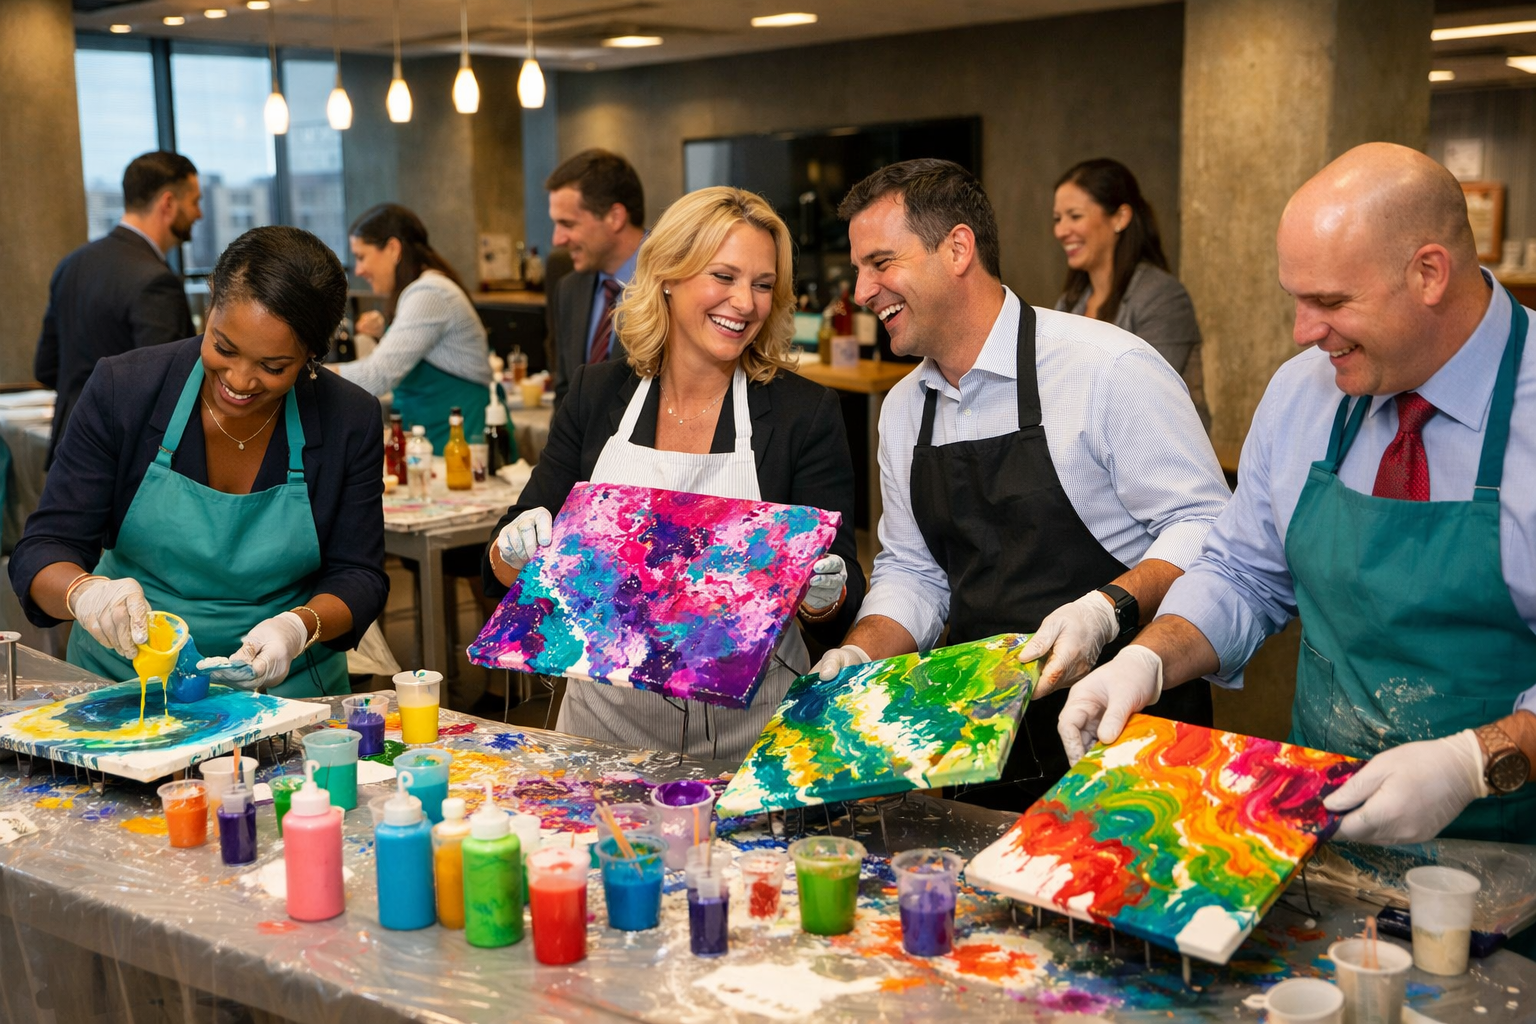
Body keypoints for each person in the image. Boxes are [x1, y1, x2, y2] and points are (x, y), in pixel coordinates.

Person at [1058, 143, 1536, 853]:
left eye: (1331, 302)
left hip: (1508, 843)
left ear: (1430, 272)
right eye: (1297, 300)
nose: (1304, 333)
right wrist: (1147, 659)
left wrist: (1475, 763)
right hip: (1320, 819)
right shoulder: (1303, 393)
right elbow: (1244, 574)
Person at [813, 159, 1230, 809]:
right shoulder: (903, 409)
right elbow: (916, 574)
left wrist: (1105, 609)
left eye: (880, 263)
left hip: (1129, 729)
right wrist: (859, 655)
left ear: (957, 248)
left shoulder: (1106, 368)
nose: (863, 290)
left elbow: (1208, 528)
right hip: (983, 743)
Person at [483, 186, 864, 759]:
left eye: (763, 285)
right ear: (667, 274)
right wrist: (513, 552)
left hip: (752, 739)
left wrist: (821, 596)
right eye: (724, 276)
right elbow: (509, 560)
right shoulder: (597, 394)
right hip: (600, 734)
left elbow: (845, 589)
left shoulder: (800, 413)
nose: (744, 302)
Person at [10, 226, 388, 698]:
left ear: (312, 353)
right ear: (210, 305)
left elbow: (360, 574)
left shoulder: (347, 418)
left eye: (274, 367)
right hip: (124, 684)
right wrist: (86, 594)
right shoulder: (124, 390)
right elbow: (44, 549)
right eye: (224, 348)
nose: (240, 380)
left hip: (283, 692)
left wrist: (298, 627)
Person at [35, 151, 202, 466]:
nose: (199, 214)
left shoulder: (71, 265)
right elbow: (166, 385)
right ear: (168, 203)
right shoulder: (156, 280)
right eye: (195, 201)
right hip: (124, 459)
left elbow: (45, 367)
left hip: (67, 449)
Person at [1053, 158, 1208, 428]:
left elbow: (1144, 399)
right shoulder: (1069, 303)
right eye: (1057, 219)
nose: (1061, 231)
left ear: (1120, 217)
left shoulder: (1162, 297)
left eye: (1075, 216)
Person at [341, 203, 492, 450]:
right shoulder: (425, 288)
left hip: (458, 441)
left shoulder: (429, 292)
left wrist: (307, 374)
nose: (359, 270)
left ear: (392, 249)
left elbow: (376, 376)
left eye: (361, 256)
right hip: (432, 438)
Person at [544, 149, 646, 411]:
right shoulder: (569, 289)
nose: (557, 240)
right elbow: (566, 393)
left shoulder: (676, 282)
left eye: (567, 224)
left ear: (615, 217)